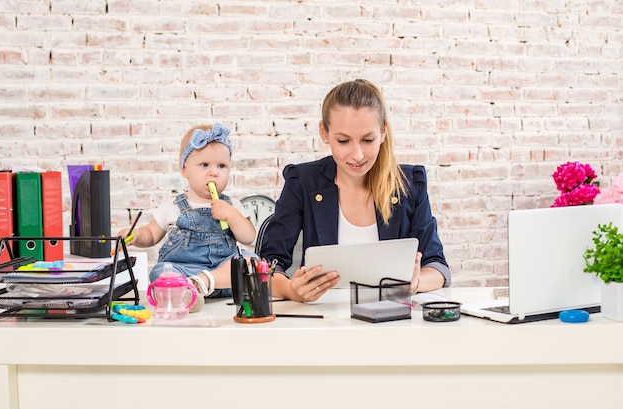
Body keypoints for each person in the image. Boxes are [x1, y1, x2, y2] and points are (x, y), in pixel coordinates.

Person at [259, 79, 450, 302]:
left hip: (392, 319)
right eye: (343, 141)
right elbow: (266, 266)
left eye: (368, 140)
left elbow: (438, 267)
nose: (357, 155)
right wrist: (290, 289)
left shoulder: (409, 184)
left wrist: (415, 282)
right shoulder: (302, 182)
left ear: (383, 132)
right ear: (324, 132)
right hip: (324, 321)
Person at [118, 123, 256, 309]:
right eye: (204, 165)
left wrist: (231, 215)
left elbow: (248, 236)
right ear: (185, 170)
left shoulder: (232, 205)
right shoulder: (174, 206)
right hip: (184, 271)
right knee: (160, 272)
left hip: (222, 275)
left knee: (252, 261)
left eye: (221, 166)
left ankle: (204, 282)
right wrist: (135, 235)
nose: (214, 172)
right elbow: (151, 234)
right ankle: (188, 293)